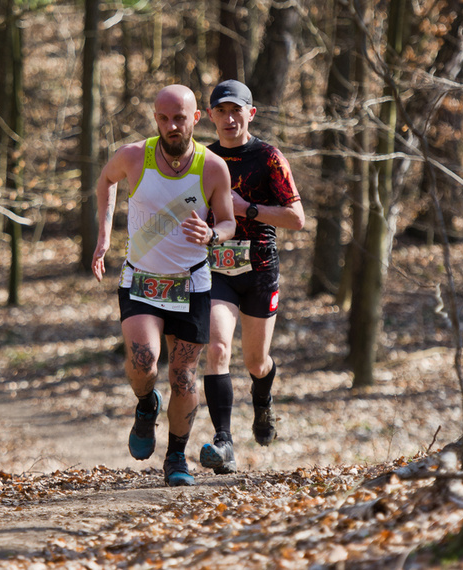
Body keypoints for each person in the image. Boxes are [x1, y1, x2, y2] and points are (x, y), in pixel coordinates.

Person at [91, 84, 236, 487]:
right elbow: (105, 181)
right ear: (156, 118)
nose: (172, 126)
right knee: (144, 363)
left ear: (196, 118)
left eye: (180, 118)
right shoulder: (135, 156)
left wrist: (212, 235)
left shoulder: (212, 167)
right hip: (141, 279)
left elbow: (228, 221)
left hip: (191, 284)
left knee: (184, 375)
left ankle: (175, 457)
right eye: (164, 118)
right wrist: (104, 234)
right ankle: (145, 404)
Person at [199, 79, 305, 474]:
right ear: (210, 116)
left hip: (260, 267)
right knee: (218, 350)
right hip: (216, 269)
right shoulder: (202, 160)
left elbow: (296, 218)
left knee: (256, 362)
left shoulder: (269, 157)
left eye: (236, 111)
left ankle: (262, 403)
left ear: (250, 113)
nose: (229, 119)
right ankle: (223, 442)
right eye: (221, 111)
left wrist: (248, 209)